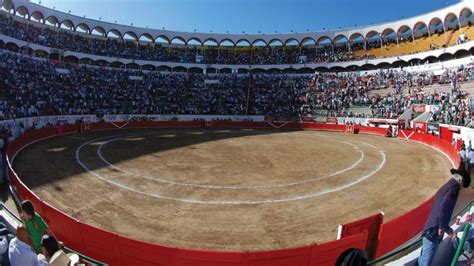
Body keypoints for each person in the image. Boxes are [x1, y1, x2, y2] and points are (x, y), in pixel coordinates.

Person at [417, 167, 471, 266]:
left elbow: (440, 208)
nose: (462, 187)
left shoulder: (447, 186)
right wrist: (442, 227)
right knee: (426, 262)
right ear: (461, 180)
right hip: (434, 230)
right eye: (463, 185)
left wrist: (447, 229)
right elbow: (443, 209)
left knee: (423, 259)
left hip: (430, 227)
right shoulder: (454, 189)